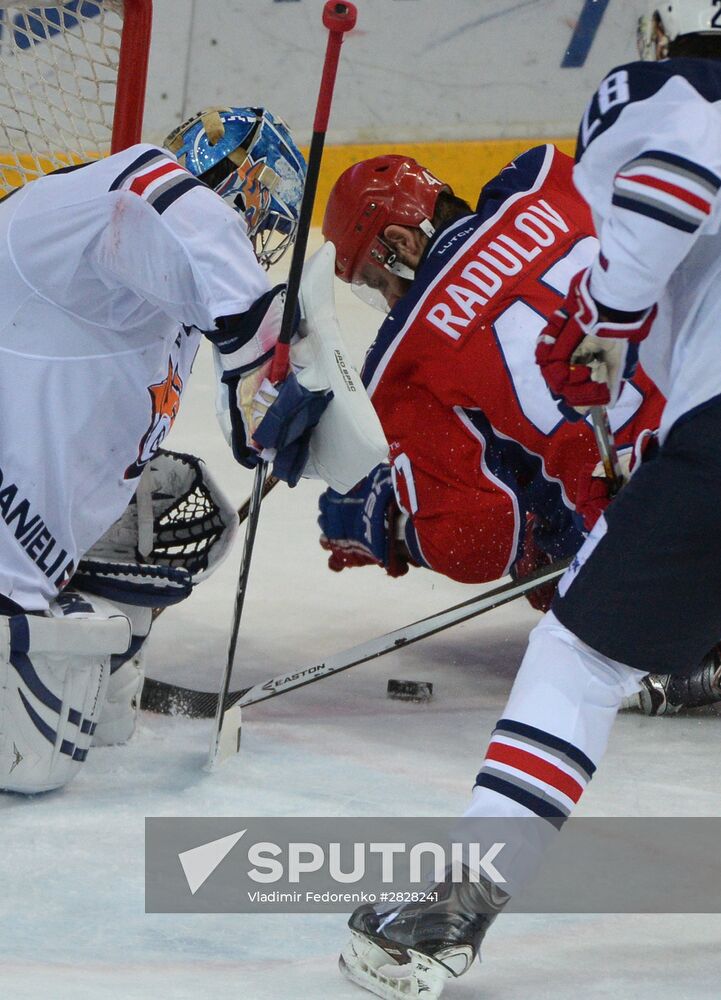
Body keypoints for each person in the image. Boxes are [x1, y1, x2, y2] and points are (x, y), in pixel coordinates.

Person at [337, 4, 721, 997]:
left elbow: (478, 532)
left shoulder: (656, 94)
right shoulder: (536, 179)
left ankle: (459, 899)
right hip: (676, 442)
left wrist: (607, 321)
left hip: (697, 450)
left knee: (579, 655)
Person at [319, 147, 720, 715]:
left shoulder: (401, 360)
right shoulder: (544, 177)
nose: (385, 299)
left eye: (375, 279)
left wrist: (395, 523)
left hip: (668, 515)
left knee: (550, 529)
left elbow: (480, 540)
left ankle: (680, 656)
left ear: (401, 244)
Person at [0, 105, 329, 795]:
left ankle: (56, 604)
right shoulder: (81, 211)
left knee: (179, 505)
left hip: (26, 546)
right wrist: (252, 339)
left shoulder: (151, 297)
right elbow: (154, 187)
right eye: (254, 218)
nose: (256, 240)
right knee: (30, 770)